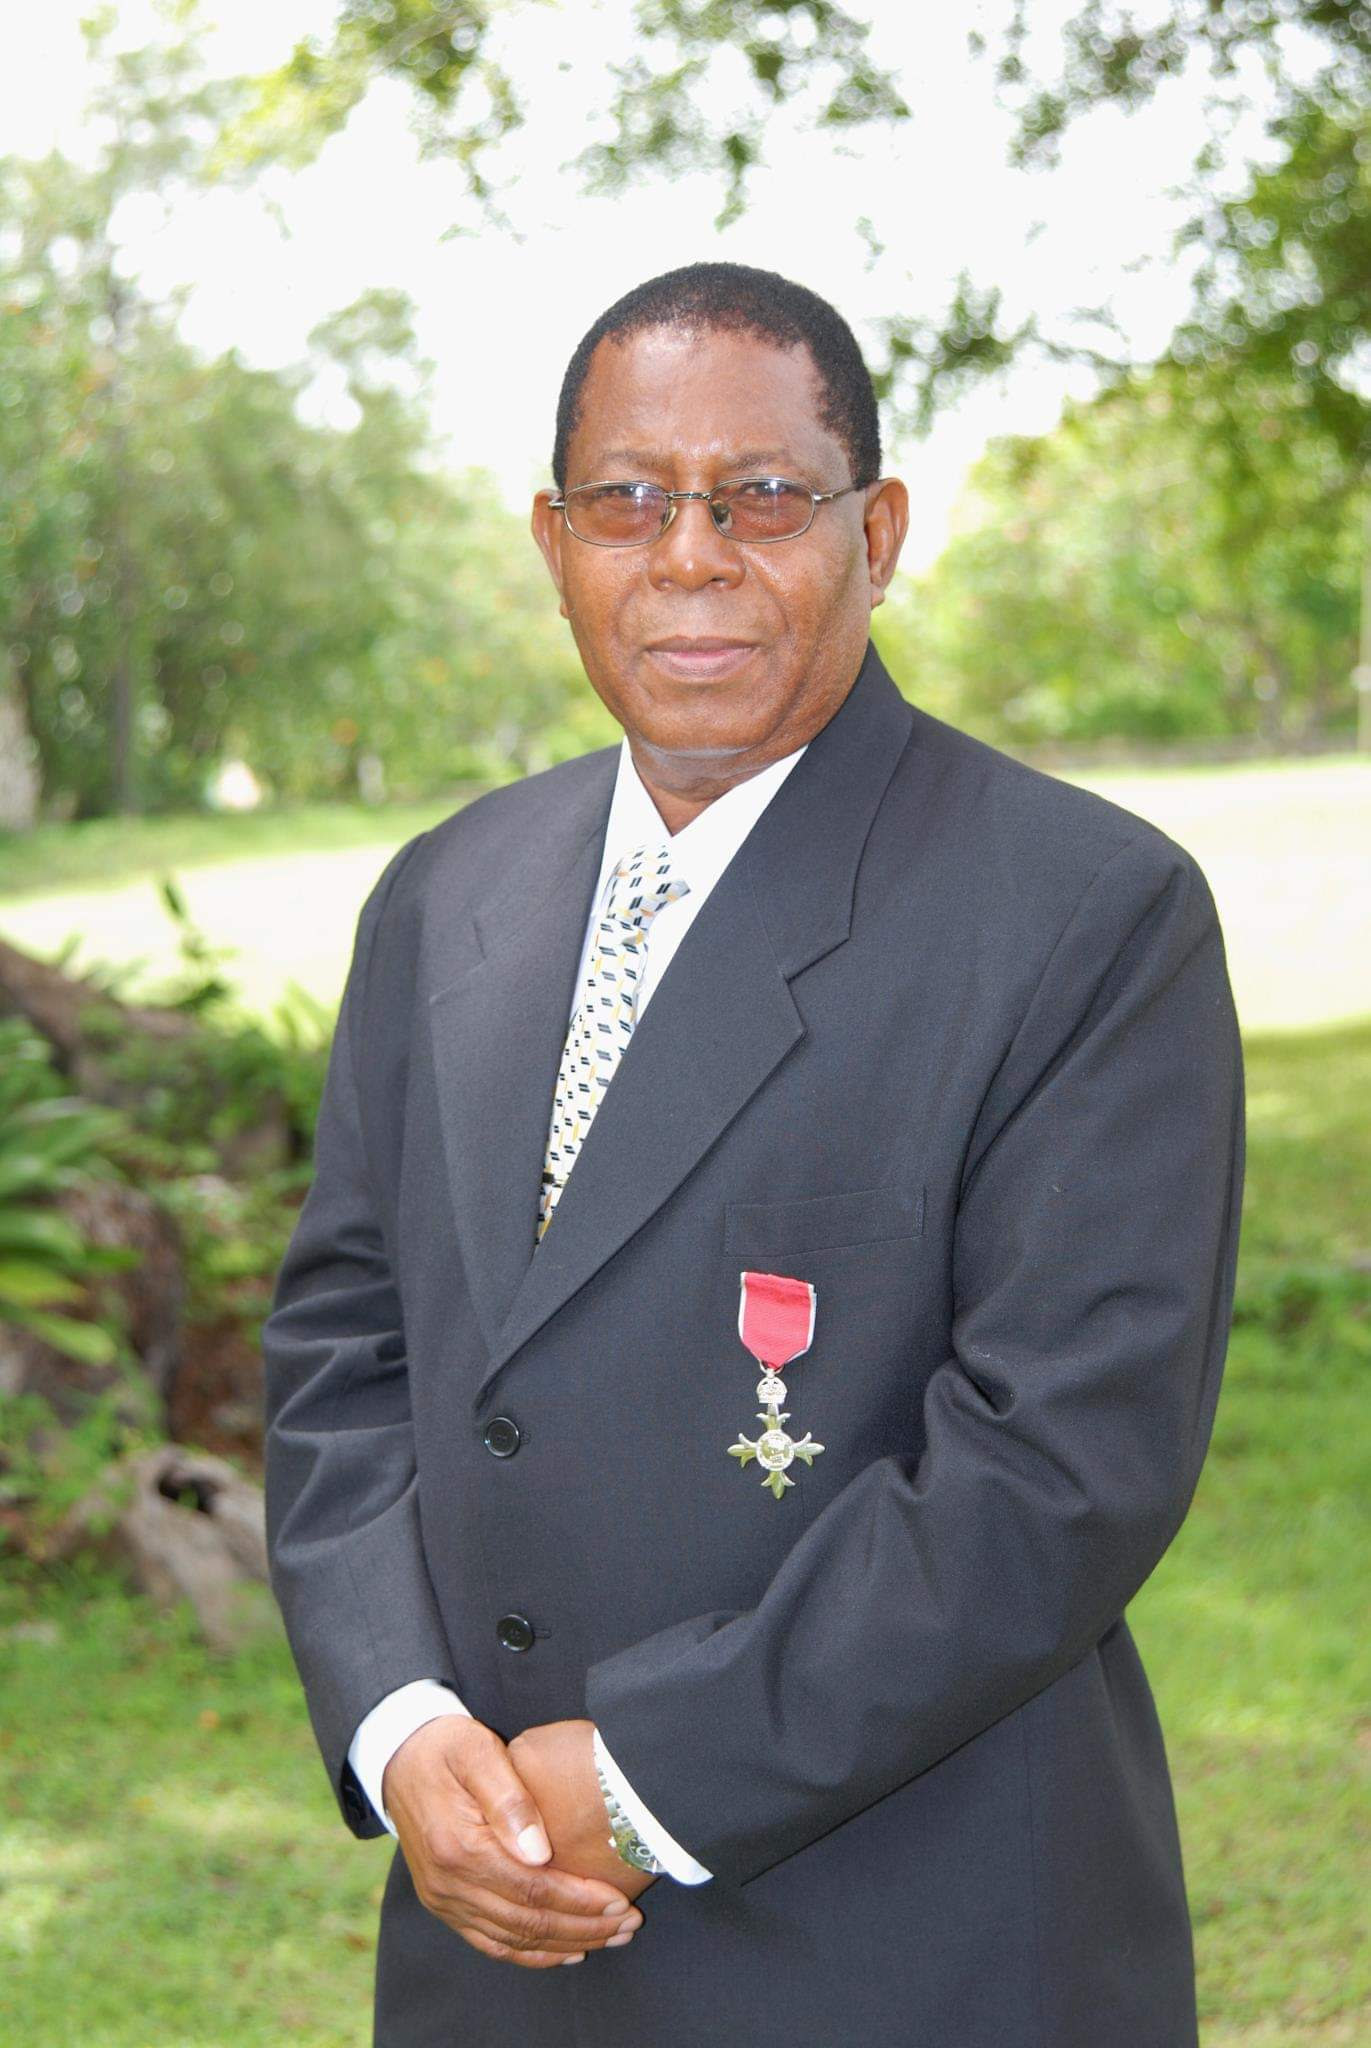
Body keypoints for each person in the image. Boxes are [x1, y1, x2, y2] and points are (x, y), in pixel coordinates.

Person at [261, 260, 1245, 2048]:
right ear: (555, 543)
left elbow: (1059, 1467)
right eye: (629, 500)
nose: (692, 556)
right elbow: (346, 1351)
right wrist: (400, 1728)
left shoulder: (1085, 916)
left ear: (880, 530)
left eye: (764, 496)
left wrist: (643, 1780)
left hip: (911, 1945)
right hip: (494, 1946)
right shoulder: (444, 896)